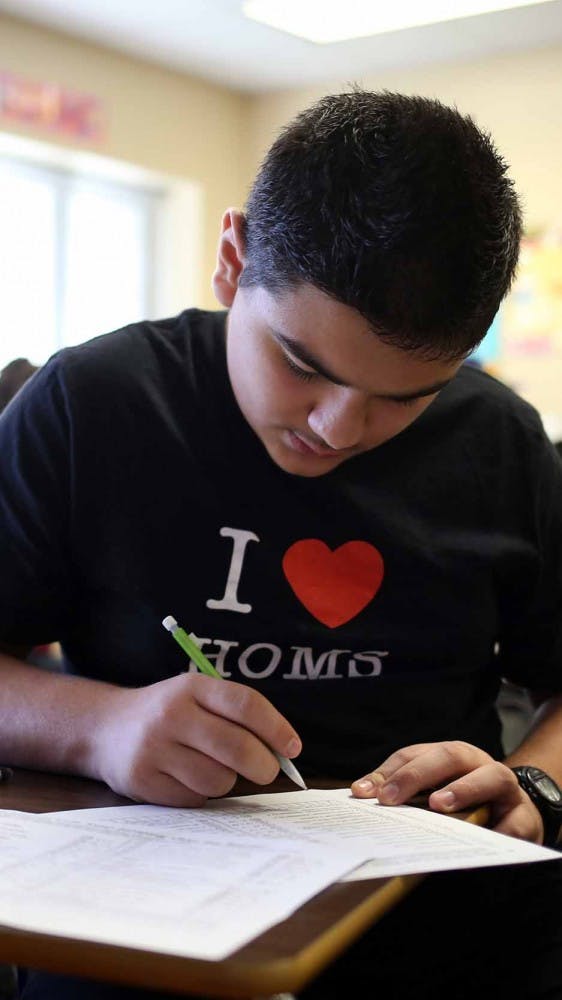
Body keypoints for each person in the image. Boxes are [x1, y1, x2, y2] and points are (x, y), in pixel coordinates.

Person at [1, 91, 562, 1000]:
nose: (340, 429)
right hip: (146, 933)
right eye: (303, 364)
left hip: (449, 936)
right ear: (233, 261)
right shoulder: (91, 405)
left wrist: (534, 781)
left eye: (406, 398)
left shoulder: (502, 441)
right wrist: (100, 729)